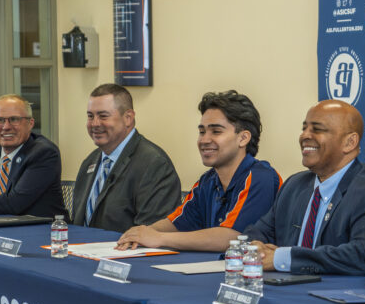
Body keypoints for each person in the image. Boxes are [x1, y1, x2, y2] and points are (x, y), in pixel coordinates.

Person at [240, 100, 365, 275]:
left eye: (317, 129)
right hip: (286, 294)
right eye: (304, 128)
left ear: (349, 142)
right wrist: (255, 247)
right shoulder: (294, 185)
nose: (305, 136)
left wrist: (282, 258)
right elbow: (256, 232)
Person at [116, 90, 280, 251]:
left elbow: (233, 238)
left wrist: (158, 238)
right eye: (202, 131)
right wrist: (141, 233)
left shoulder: (261, 177)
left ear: (243, 138)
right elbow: (175, 223)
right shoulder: (208, 181)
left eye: (216, 131)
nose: (204, 140)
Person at [72, 83, 181, 233]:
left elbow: (152, 233)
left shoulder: (154, 164)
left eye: (103, 116)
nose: (94, 124)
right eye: (90, 116)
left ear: (128, 118)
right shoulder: (90, 162)